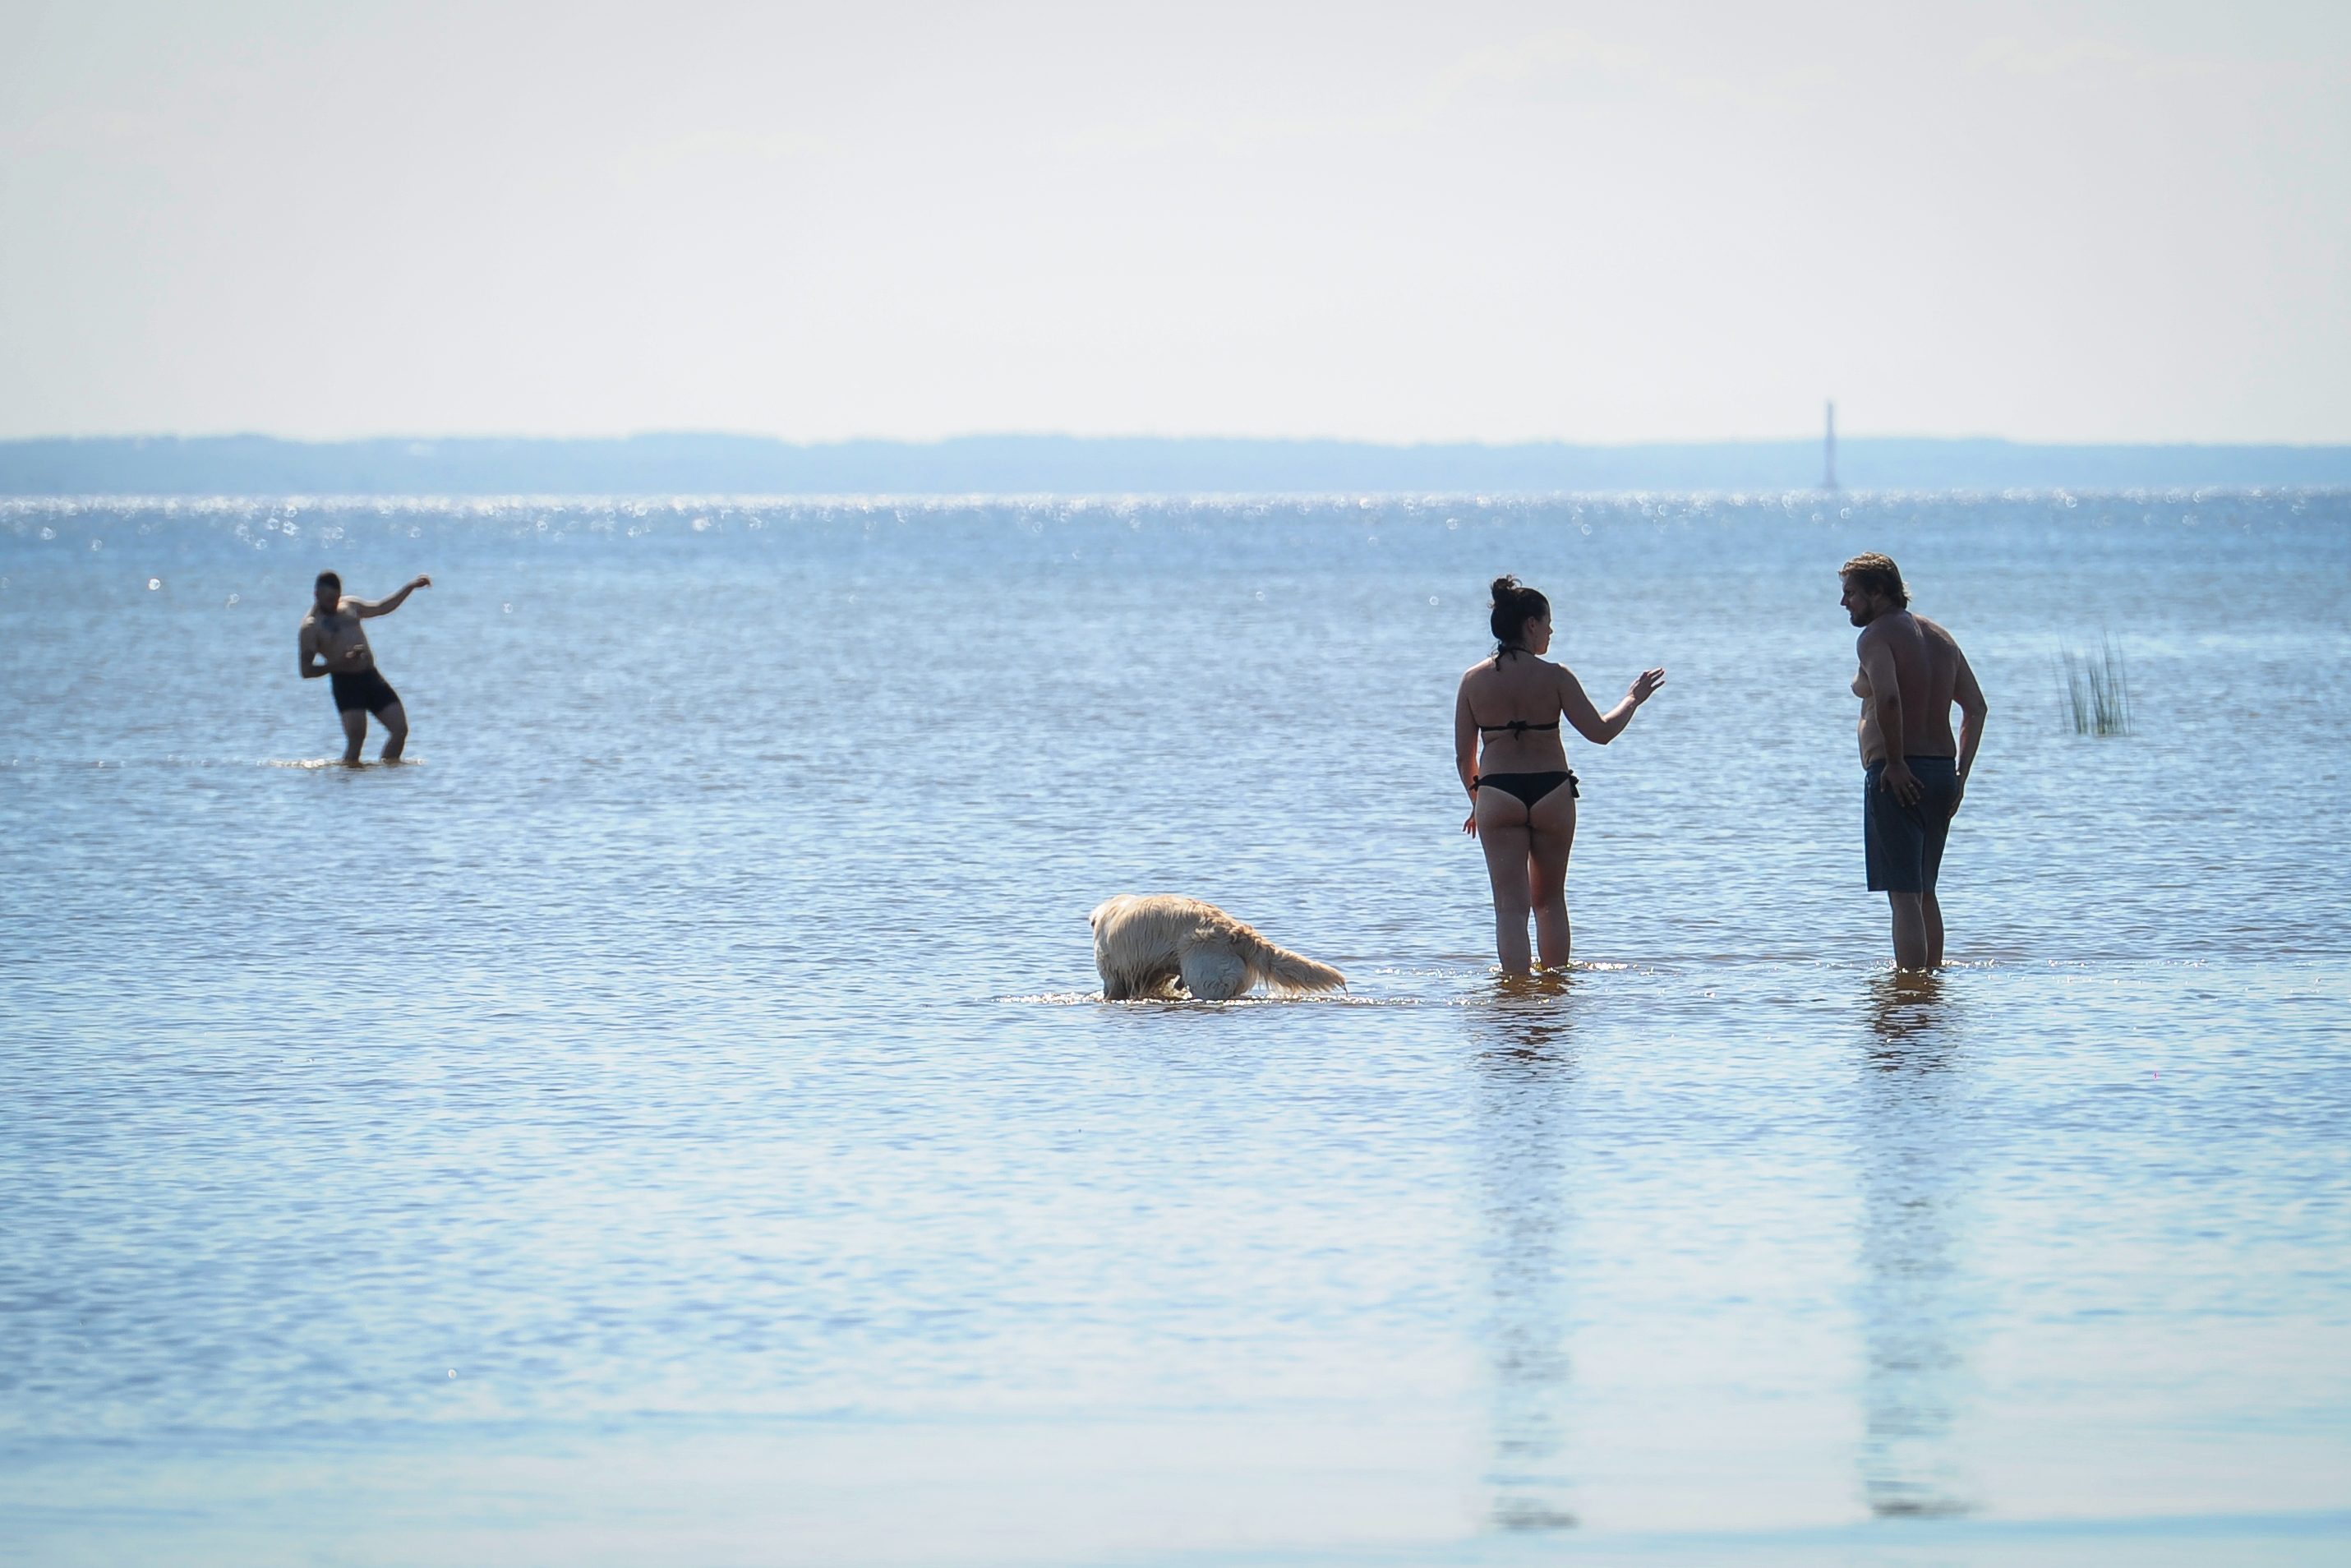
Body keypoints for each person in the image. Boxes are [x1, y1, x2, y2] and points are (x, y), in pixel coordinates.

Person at [1454, 575, 1666, 976]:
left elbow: (1464, 758)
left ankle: (1516, 996)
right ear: (1530, 625)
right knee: (1550, 901)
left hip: (1498, 794)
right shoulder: (1555, 676)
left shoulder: (1472, 681)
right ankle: (1555, 994)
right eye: (1548, 622)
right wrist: (1632, 699)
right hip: (1552, 792)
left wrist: (1477, 803)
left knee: (1510, 908)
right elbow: (1601, 732)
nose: (1551, 630)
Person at [1841, 552, 1987, 971]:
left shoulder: (1875, 637)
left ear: (1878, 592)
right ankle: (1931, 987)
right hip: (1941, 773)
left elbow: (1888, 697)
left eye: (1851, 593)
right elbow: (1976, 708)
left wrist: (1898, 763)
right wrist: (1960, 776)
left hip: (1898, 776)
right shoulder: (1940, 637)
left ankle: (1910, 994)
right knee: (1924, 890)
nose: (1844, 602)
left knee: (1903, 896)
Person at [298, 570, 431, 763]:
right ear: (316, 595)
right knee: (356, 739)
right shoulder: (311, 627)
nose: (333, 604)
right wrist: (339, 663)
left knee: (400, 729)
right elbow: (306, 670)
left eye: (336, 599)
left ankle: (387, 773)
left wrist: (410, 587)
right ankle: (350, 785)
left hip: (370, 677)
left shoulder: (349, 606)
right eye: (328, 600)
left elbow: (381, 608)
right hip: (346, 684)